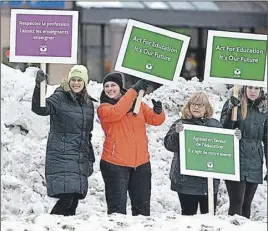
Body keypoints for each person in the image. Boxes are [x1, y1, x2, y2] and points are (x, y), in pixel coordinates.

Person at [31, 65, 97, 216]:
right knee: (66, 198)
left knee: (73, 202)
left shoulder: (88, 104)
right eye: (73, 79)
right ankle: (49, 225)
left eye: (79, 80)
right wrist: (39, 86)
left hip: (79, 158)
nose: (76, 83)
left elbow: (87, 134)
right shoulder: (60, 97)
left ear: (85, 82)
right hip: (61, 155)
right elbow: (41, 108)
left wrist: (90, 158)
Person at [97, 72, 165, 216]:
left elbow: (155, 120)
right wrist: (134, 90)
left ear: (120, 87)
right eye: (106, 86)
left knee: (142, 210)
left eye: (113, 85)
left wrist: (159, 112)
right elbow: (118, 111)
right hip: (115, 164)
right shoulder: (104, 108)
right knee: (117, 210)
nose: (109, 89)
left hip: (141, 163)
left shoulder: (137, 102)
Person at [164, 92, 241, 215]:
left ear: (206, 108)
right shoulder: (181, 124)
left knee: (209, 218)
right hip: (186, 183)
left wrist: (235, 137)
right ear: (188, 106)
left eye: (200, 105)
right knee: (188, 218)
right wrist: (176, 134)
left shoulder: (215, 125)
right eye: (193, 104)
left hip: (208, 183)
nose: (196, 107)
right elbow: (169, 145)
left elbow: (224, 146)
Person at [220, 85, 267, 219]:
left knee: (246, 205)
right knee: (236, 205)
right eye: (250, 87)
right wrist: (230, 110)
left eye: (257, 88)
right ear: (244, 88)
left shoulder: (264, 109)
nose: (253, 91)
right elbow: (223, 129)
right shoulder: (234, 104)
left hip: (254, 161)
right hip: (235, 159)